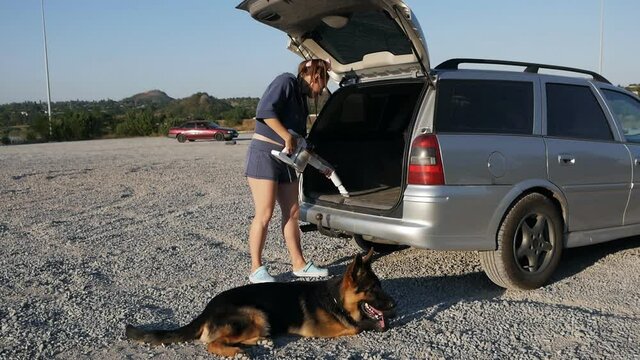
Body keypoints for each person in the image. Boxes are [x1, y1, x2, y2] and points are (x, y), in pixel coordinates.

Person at [244, 58, 331, 283]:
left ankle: (299, 264)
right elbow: (264, 111)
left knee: (292, 213)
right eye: (323, 83)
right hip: (265, 155)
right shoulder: (286, 82)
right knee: (264, 213)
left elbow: (298, 136)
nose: (321, 90)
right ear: (316, 76)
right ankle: (256, 268)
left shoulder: (302, 99)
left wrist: (318, 161)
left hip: (287, 159)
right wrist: (286, 136)